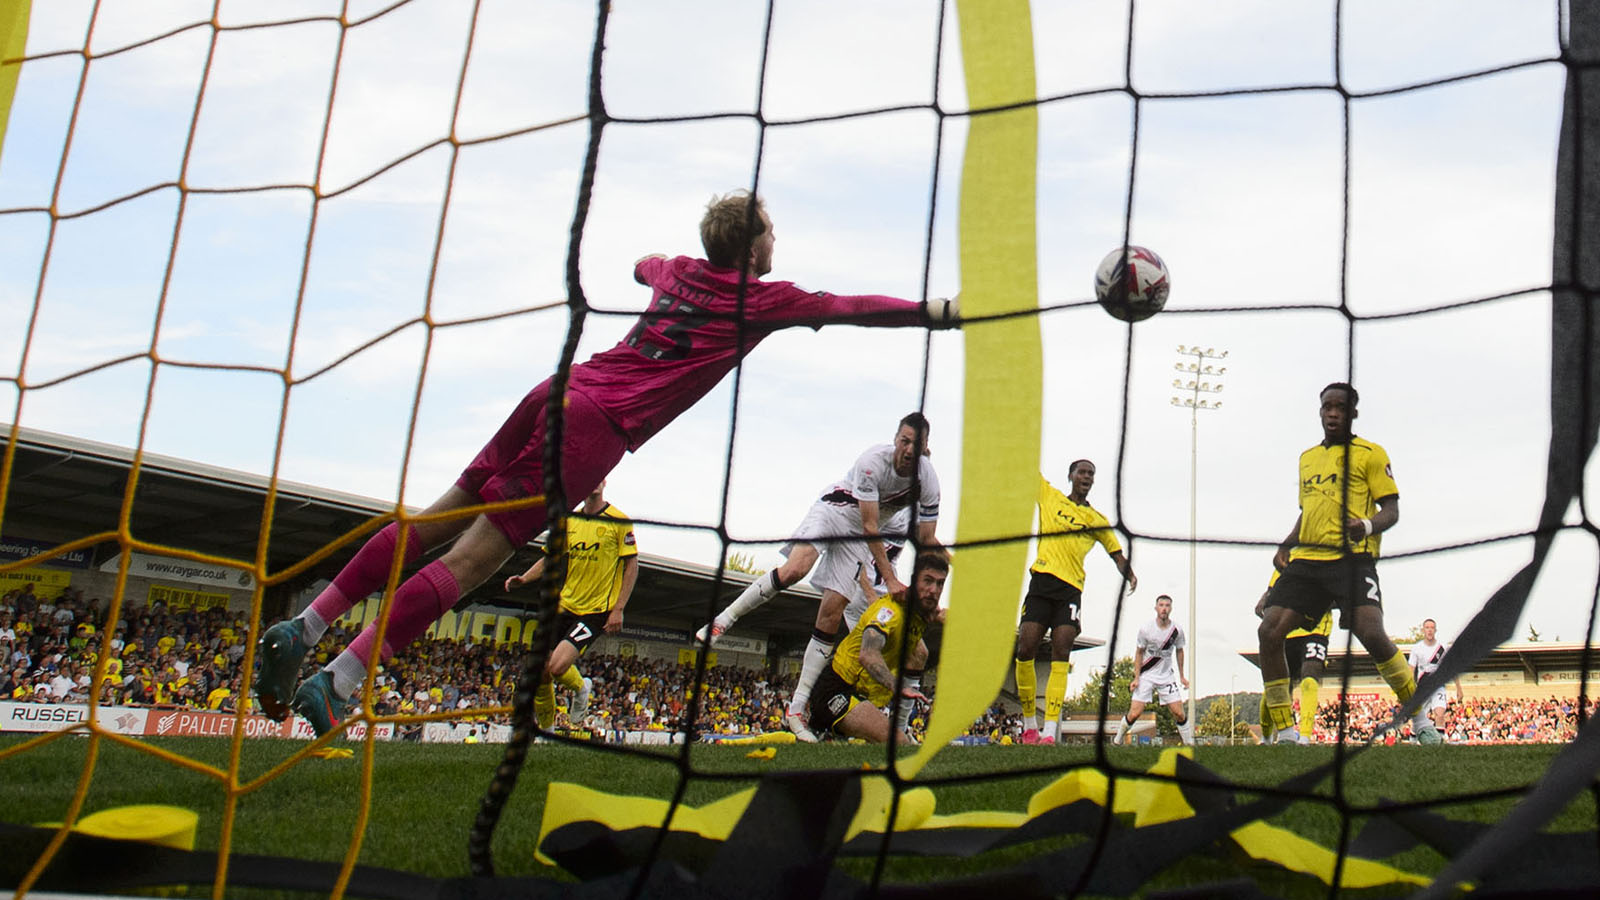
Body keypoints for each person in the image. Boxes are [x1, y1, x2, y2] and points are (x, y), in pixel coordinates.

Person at [254, 190, 958, 735]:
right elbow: (849, 306)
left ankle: (307, 625)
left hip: (555, 388)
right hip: (596, 425)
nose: (779, 241)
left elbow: (644, 264)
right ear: (749, 248)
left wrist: (661, 275)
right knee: (472, 561)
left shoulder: (678, 272)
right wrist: (934, 311)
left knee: (433, 519)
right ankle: (338, 682)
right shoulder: (758, 300)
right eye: (770, 232)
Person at [695, 414, 941, 741]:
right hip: (835, 512)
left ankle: (797, 710)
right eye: (904, 441)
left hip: (857, 540)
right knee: (796, 568)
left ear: (926, 449)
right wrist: (890, 581)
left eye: (916, 444)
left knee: (830, 614)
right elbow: (870, 527)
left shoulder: (929, 483)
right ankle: (724, 618)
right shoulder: (872, 463)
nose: (908, 449)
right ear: (896, 439)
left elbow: (927, 540)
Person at [1257, 382, 1416, 745]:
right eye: (1327, 407)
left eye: (1340, 408)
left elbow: (1391, 510)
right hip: (1307, 561)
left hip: (1352, 560)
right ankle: (1285, 731)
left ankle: (1418, 716)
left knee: (1372, 634)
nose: (1332, 413)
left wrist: (1367, 525)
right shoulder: (1307, 458)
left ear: (1353, 413)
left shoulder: (1372, 454)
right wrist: (1287, 542)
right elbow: (1307, 511)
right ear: (1320, 411)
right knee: (1269, 632)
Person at [1015, 461, 1136, 745]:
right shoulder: (1049, 496)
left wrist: (1129, 574)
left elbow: (1115, 553)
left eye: (1091, 473)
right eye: (1082, 472)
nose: (1086, 476)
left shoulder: (1097, 519)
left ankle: (1048, 731)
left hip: (1070, 590)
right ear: (1070, 476)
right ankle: (1030, 724)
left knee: (1062, 651)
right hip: (1042, 582)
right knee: (1026, 647)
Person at [501, 480, 638, 731]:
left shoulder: (619, 521)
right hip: (565, 604)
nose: (594, 482)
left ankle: (581, 687)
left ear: (605, 482)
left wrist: (619, 608)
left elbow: (632, 565)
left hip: (596, 610)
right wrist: (525, 578)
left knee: (556, 666)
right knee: (541, 669)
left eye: (600, 477)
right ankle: (546, 730)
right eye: (592, 476)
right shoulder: (568, 520)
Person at [807, 552, 946, 744]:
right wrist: (897, 686)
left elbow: (943, 615)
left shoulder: (922, 610)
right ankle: (821, 729)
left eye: (940, 584)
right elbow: (868, 655)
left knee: (920, 652)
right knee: (899, 745)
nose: (934, 590)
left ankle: (900, 728)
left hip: (864, 695)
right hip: (838, 690)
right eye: (928, 581)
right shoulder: (890, 613)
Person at [1253, 568, 1331, 745]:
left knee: (1310, 679)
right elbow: (1272, 589)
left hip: (1317, 631)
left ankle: (1304, 738)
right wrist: (1265, 599)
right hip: (1286, 632)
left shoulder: (1333, 558)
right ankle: (1266, 738)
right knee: (1275, 689)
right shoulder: (1290, 557)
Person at [1113, 594, 1193, 746]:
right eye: (1161, 605)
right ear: (1156, 608)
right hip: (1147, 675)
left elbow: (1180, 650)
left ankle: (1189, 743)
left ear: (1171, 608)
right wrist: (1136, 677)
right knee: (1135, 713)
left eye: (1167, 605)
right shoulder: (1146, 629)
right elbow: (1139, 652)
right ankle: (1118, 738)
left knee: (1179, 712)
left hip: (1166, 676)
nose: (1164, 608)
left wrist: (1182, 676)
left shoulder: (1177, 630)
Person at [1407, 618, 1462, 744]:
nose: (1429, 630)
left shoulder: (1442, 647)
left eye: (1432, 627)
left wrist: (1458, 688)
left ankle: (1439, 743)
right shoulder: (1417, 648)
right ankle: (1412, 741)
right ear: (1423, 630)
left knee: (1440, 713)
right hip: (1422, 687)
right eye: (1427, 627)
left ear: (1435, 630)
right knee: (1419, 718)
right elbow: (1411, 670)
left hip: (1438, 685)